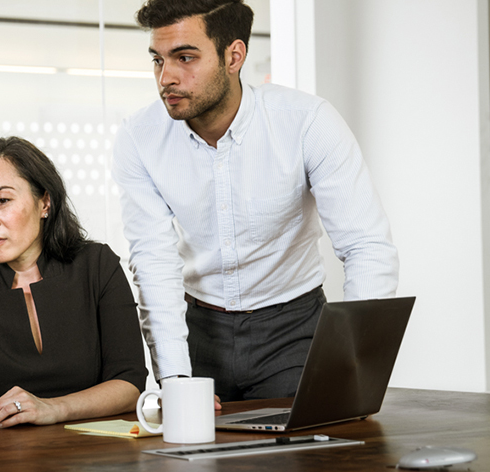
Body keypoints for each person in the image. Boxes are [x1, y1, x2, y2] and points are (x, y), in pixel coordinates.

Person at [112, 0, 399, 402]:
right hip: (199, 333)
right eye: (158, 60)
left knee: (309, 456)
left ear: (234, 55)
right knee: (195, 461)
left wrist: (353, 359)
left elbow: (366, 245)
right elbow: (153, 260)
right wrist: (174, 379)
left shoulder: (306, 122)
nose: (166, 77)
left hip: (294, 331)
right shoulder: (139, 138)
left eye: (185, 57)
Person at [0, 136, 148, 440]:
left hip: (96, 451)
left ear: (45, 202)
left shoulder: (97, 266)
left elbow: (129, 382)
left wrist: (54, 408)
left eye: (2, 201)